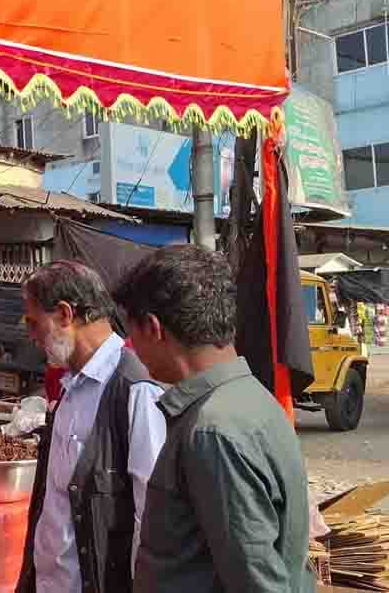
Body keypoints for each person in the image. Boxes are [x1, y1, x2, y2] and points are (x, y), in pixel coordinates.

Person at [113, 245, 315, 593]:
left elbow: (258, 583)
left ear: (153, 327)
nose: (132, 349)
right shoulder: (249, 399)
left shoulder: (212, 431)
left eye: (131, 335)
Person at [16, 260, 167, 593]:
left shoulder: (135, 389)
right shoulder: (69, 387)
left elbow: (153, 519)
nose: (31, 336)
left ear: (64, 314)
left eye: (33, 322)